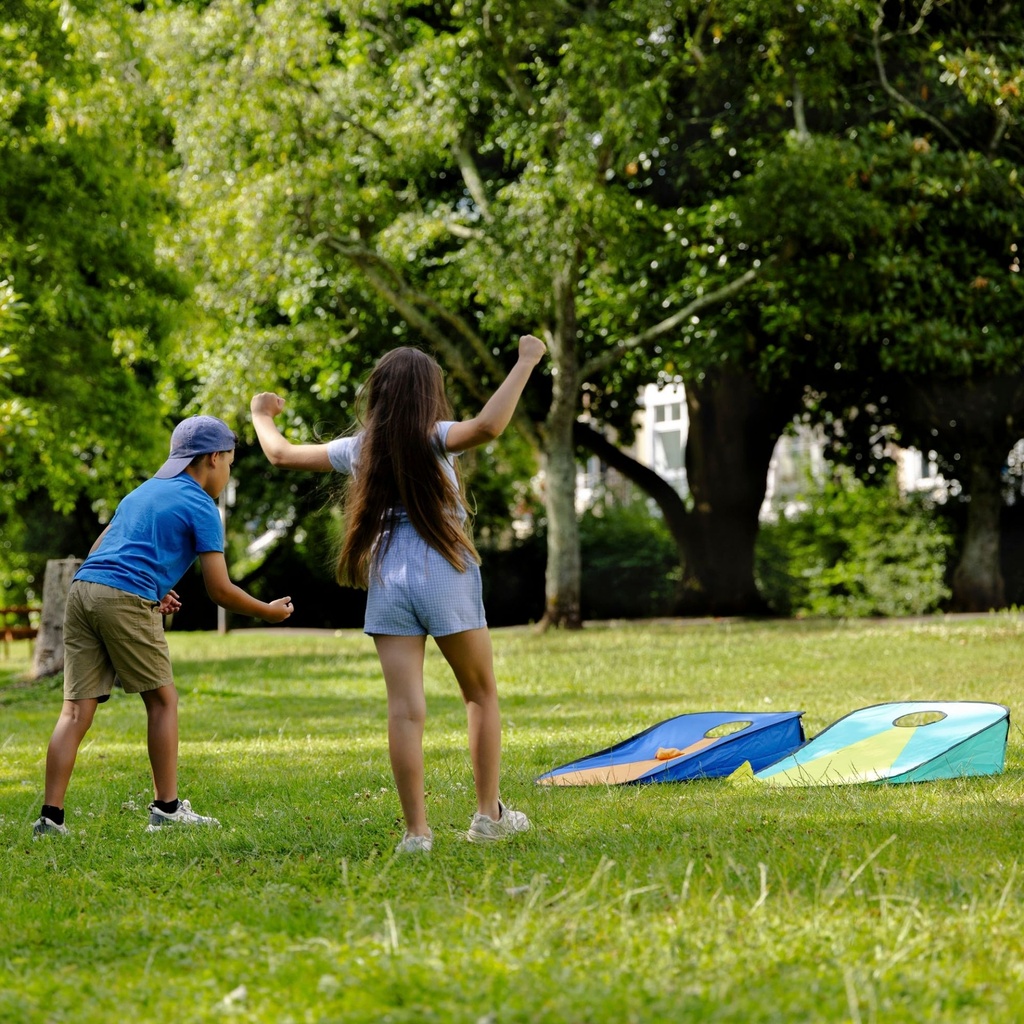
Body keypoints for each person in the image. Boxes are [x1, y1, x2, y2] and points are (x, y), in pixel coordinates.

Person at [250, 334, 546, 853]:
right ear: (429, 394)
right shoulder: (434, 436)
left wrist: (261, 413)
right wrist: (526, 361)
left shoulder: (359, 448)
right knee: (479, 693)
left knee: (404, 711)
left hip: (388, 578)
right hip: (443, 570)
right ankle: (487, 816)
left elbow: (279, 454)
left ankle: (417, 832)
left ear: (379, 396)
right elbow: (491, 426)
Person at [33, 415, 295, 838]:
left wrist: (152, 588)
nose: (227, 473)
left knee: (76, 710)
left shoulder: (143, 491)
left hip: (85, 589)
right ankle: (167, 810)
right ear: (213, 459)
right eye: (228, 463)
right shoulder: (201, 506)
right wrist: (267, 611)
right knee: (163, 701)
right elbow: (220, 590)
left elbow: (100, 549)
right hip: (124, 595)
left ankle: (50, 818)